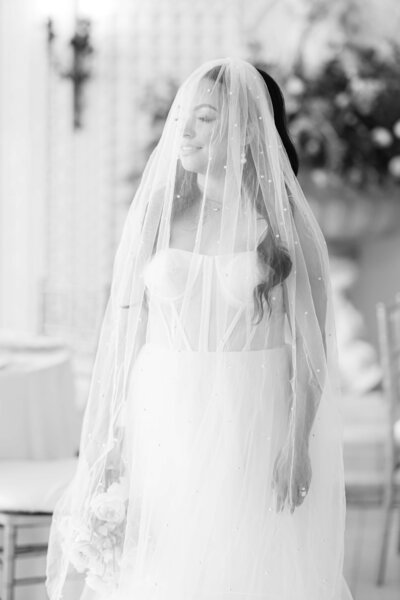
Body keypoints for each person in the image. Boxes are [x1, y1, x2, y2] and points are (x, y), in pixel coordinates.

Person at [46, 57, 354, 600]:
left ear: (245, 128)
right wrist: (108, 441)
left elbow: (310, 347)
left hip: (251, 412)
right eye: (182, 116)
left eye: (205, 118)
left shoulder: (283, 228)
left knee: (245, 557)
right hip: (162, 412)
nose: (182, 131)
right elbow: (123, 335)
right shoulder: (159, 214)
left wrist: (297, 441)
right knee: (165, 562)